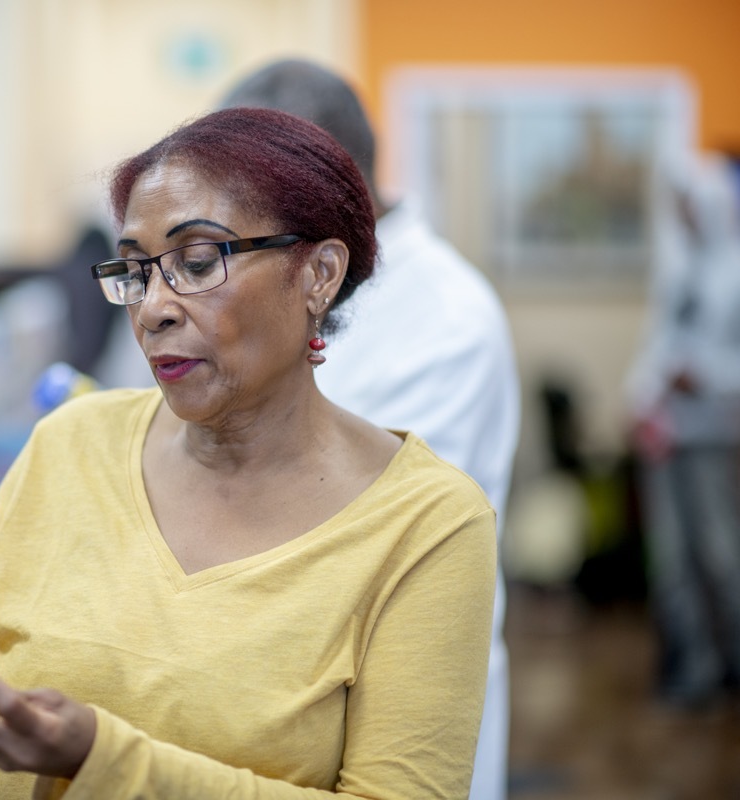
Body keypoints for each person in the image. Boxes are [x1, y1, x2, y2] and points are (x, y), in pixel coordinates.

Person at [0, 107, 497, 798]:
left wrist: (100, 758)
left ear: (319, 274)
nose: (153, 307)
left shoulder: (427, 525)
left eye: (197, 262)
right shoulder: (70, 445)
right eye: (136, 271)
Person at [221, 60, 520, 800]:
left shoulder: (446, 319)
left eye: (246, 196)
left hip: (387, 688)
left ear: (332, 182)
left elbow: (364, 524)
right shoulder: (276, 278)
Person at [627, 151, 740, 708]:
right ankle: (690, 667)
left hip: (715, 437)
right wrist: (641, 399)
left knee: (720, 554)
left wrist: (709, 378)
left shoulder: (735, 273)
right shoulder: (679, 273)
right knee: (673, 559)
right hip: (667, 437)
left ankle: (730, 663)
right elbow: (656, 351)